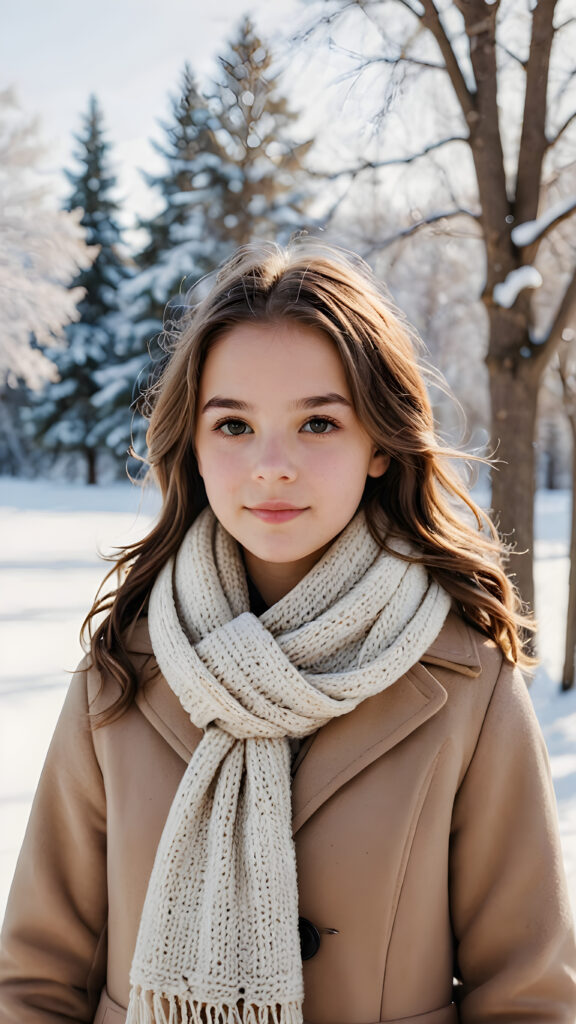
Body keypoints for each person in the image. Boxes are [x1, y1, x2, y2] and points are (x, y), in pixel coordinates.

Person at [0, 239, 575, 1024]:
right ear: (194, 447)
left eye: (317, 424)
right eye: (234, 425)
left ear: (378, 442)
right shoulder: (122, 669)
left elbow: (528, 996)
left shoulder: (464, 679)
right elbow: (34, 982)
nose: (272, 465)